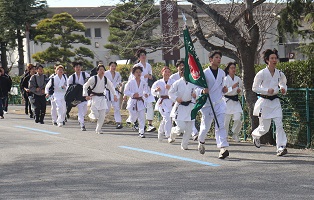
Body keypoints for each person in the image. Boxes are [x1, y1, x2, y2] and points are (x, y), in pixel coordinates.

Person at [251, 49, 288, 156]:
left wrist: (283, 89)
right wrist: (266, 90)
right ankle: (255, 135)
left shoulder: (280, 74)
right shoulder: (261, 73)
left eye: (275, 58)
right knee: (264, 128)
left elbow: (283, 83)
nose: (274, 60)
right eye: (272, 58)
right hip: (264, 103)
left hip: (275, 102)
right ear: (267, 60)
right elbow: (254, 88)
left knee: (279, 124)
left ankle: (281, 147)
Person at [197, 50, 229, 159]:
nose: (219, 59)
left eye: (220, 57)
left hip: (219, 103)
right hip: (208, 104)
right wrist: (202, 91)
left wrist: (225, 90)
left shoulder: (222, 73)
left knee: (220, 125)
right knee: (205, 127)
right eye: (216, 57)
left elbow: (222, 87)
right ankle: (201, 140)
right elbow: (196, 88)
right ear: (211, 60)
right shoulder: (204, 73)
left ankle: (222, 148)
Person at [168, 65, 197, 150]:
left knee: (189, 128)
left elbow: (198, 91)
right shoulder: (178, 82)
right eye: (183, 71)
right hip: (180, 107)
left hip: (190, 107)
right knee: (181, 128)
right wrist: (176, 98)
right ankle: (173, 132)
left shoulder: (193, 83)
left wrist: (196, 95)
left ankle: (184, 144)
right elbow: (170, 92)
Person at [83, 64, 117, 134]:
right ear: (97, 71)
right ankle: (91, 114)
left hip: (102, 97)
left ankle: (98, 129)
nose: (102, 71)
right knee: (96, 114)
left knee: (102, 114)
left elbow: (111, 86)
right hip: (94, 97)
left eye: (103, 70)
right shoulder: (93, 78)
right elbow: (85, 86)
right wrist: (86, 95)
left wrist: (115, 95)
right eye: (100, 69)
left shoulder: (105, 79)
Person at [128, 49, 156, 132]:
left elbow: (151, 75)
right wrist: (144, 77)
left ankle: (150, 124)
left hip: (147, 88)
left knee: (149, 105)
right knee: (137, 106)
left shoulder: (148, 65)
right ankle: (136, 122)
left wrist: (150, 77)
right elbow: (133, 77)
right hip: (138, 88)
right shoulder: (136, 66)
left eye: (144, 54)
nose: (143, 56)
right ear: (139, 57)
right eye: (141, 55)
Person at [124, 65, 150, 138]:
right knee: (133, 116)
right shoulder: (130, 82)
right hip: (133, 101)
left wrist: (146, 94)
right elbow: (125, 91)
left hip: (140, 101)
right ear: (133, 73)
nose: (138, 73)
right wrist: (132, 94)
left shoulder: (143, 82)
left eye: (139, 72)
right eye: (136, 72)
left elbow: (146, 89)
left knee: (142, 117)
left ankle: (141, 132)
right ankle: (130, 119)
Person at [151, 66, 175, 142]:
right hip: (162, 102)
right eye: (165, 72)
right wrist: (156, 90)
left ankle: (160, 131)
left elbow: (177, 90)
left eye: (168, 72)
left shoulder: (173, 82)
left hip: (170, 102)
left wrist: (170, 88)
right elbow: (152, 91)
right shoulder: (158, 82)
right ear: (162, 73)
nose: (167, 73)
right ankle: (169, 135)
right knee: (167, 117)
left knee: (167, 118)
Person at [223, 62, 244, 142]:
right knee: (226, 121)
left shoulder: (238, 79)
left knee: (238, 118)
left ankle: (235, 133)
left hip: (235, 101)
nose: (233, 69)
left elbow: (242, 90)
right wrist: (232, 87)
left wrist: (239, 91)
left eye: (234, 68)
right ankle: (224, 136)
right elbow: (224, 91)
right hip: (227, 101)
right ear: (228, 70)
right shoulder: (225, 79)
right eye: (231, 68)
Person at [67, 62, 90, 131]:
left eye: (79, 67)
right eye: (76, 67)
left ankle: (80, 119)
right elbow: (68, 87)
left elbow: (90, 80)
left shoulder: (85, 74)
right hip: (77, 96)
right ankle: (82, 125)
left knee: (85, 110)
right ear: (74, 68)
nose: (78, 68)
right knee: (80, 109)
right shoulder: (72, 77)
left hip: (84, 94)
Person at [104, 61, 123, 129]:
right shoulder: (105, 73)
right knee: (107, 109)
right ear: (109, 67)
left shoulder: (117, 74)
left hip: (115, 93)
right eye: (112, 66)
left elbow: (119, 81)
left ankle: (118, 122)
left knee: (117, 108)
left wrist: (119, 84)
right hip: (108, 93)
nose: (113, 67)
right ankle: (100, 119)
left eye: (114, 66)